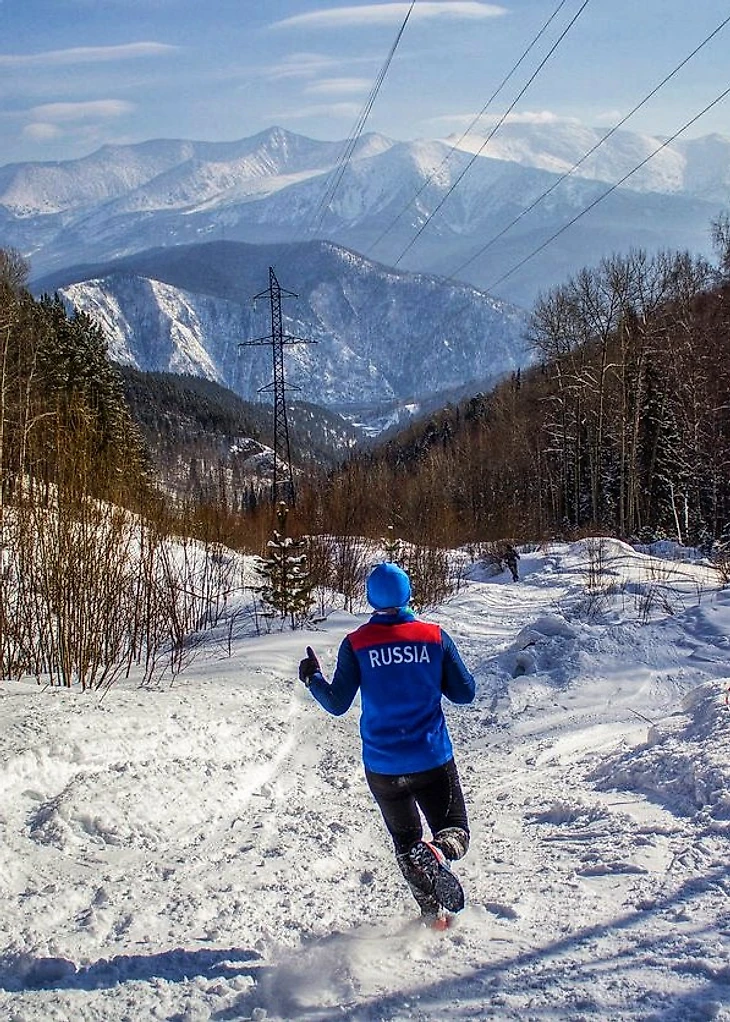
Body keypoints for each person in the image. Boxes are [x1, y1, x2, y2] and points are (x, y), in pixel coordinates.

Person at [298, 562, 475, 926]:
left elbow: (336, 704)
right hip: (431, 757)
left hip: (382, 767)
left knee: (405, 843)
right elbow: (464, 693)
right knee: (454, 830)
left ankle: (432, 915)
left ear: (370, 598)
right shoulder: (434, 636)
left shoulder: (356, 644)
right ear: (409, 593)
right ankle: (439, 851)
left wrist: (313, 677)